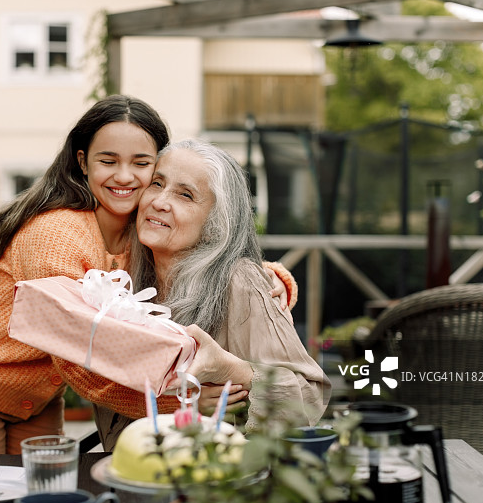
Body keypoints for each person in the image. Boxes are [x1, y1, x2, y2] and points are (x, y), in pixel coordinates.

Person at [0, 95, 294, 455]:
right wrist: (174, 404)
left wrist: (267, 276)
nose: (125, 176)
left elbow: (200, 253)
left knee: (40, 495)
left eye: (141, 163)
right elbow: (80, 359)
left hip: (37, 397)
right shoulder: (56, 236)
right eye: (108, 161)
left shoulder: (140, 231)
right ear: (83, 162)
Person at [53, 138, 330, 449]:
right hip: (136, 472)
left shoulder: (238, 282)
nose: (159, 201)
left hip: (218, 484)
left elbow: (310, 396)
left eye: (185, 195)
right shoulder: (120, 278)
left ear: (215, 222)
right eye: (157, 184)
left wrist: (233, 370)